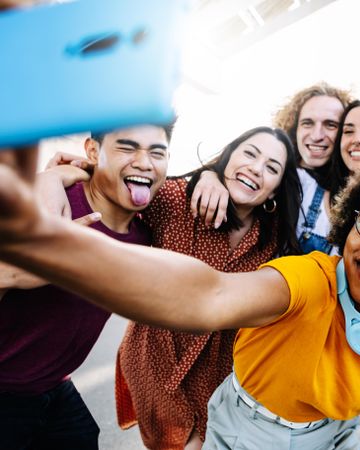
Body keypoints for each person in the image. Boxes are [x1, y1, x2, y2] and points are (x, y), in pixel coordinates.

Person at [0, 135, 360, 450]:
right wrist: (54, 229)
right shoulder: (310, 278)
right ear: (349, 223)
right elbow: (209, 297)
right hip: (241, 427)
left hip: (337, 437)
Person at [43, 126, 302, 450]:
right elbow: (113, 182)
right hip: (157, 361)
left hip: (220, 372)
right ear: (228, 157)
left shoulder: (275, 237)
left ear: (275, 190)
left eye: (271, 167)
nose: (256, 168)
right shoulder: (177, 198)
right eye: (249, 153)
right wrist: (53, 178)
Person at [0, 124, 171, 449]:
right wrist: (20, 270)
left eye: (157, 152)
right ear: (93, 151)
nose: (145, 162)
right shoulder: (45, 205)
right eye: (127, 147)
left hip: (53, 387)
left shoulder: (145, 233)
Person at [273, 82, 352, 254]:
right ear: (295, 128)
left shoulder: (350, 191)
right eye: (307, 123)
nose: (317, 136)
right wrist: (210, 177)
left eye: (330, 124)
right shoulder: (271, 174)